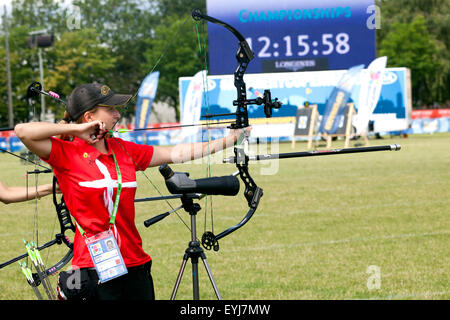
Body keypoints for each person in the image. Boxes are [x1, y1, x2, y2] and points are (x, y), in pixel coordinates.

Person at [15, 83, 244, 300]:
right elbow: (23, 131)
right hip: (91, 268)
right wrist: (77, 129)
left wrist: (230, 139)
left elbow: (178, 152)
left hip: (135, 264)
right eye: (111, 109)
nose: (117, 115)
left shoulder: (123, 150)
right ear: (89, 117)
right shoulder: (66, 154)